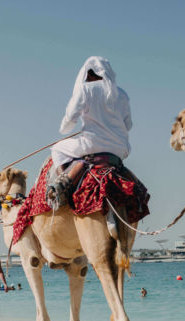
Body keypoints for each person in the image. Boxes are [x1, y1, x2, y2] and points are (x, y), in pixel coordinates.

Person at [48, 56, 132, 207]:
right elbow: (128, 125)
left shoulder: (85, 89)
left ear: (89, 74)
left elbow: (70, 120)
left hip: (92, 145)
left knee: (57, 149)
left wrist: (65, 129)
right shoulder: (122, 95)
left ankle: (64, 190)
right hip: (120, 149)